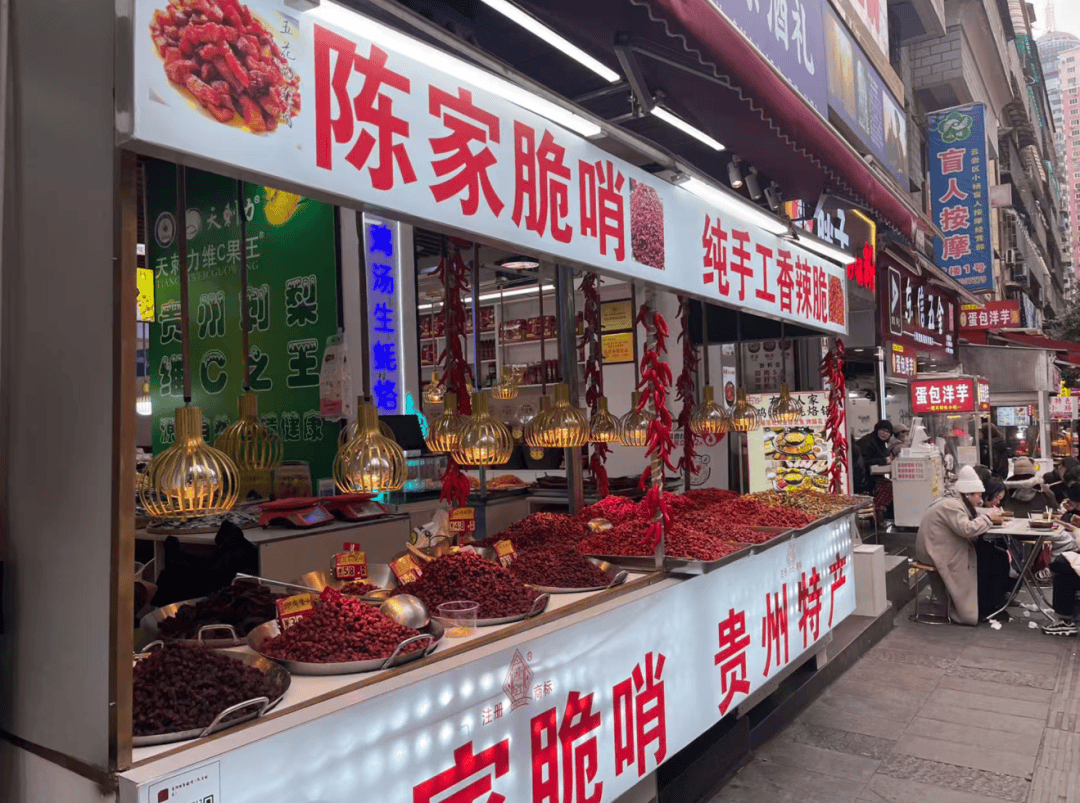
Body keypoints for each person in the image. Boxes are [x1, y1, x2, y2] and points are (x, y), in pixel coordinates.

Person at [916, 466, 1006, 625]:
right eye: (978, 495)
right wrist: (989, 517)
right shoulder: (951, 505)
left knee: (993, 555)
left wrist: (986, 515)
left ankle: (989, 603)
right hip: (936, 551)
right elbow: (967, 529)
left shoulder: (954, 501)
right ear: (968, 494)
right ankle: (980, 608)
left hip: (940, 546)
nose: (979, 499)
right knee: (990, 559)